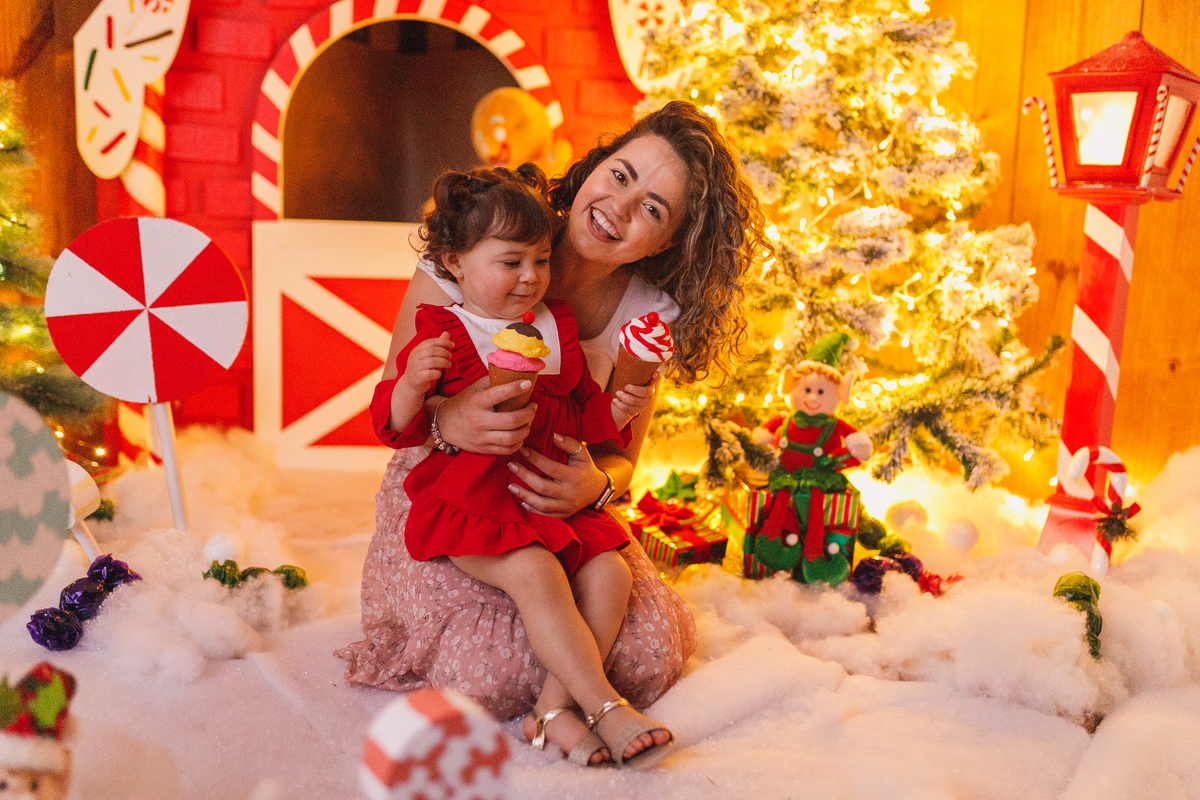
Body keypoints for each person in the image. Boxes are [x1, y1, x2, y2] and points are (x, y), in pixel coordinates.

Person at [337, 100, 769, 765]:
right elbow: (399, 401)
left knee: (649, 649)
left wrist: (598, 483)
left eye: (654, 209)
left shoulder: (641, 317)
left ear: (670, 242)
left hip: (560, 507)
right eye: (621, 175)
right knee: (488, 666)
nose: (621, 209)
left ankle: (555, 711)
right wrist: (448, 419)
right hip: (458, 489)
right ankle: (579, 697)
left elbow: (618, 454)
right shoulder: (482, 239)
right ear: (595, 166)